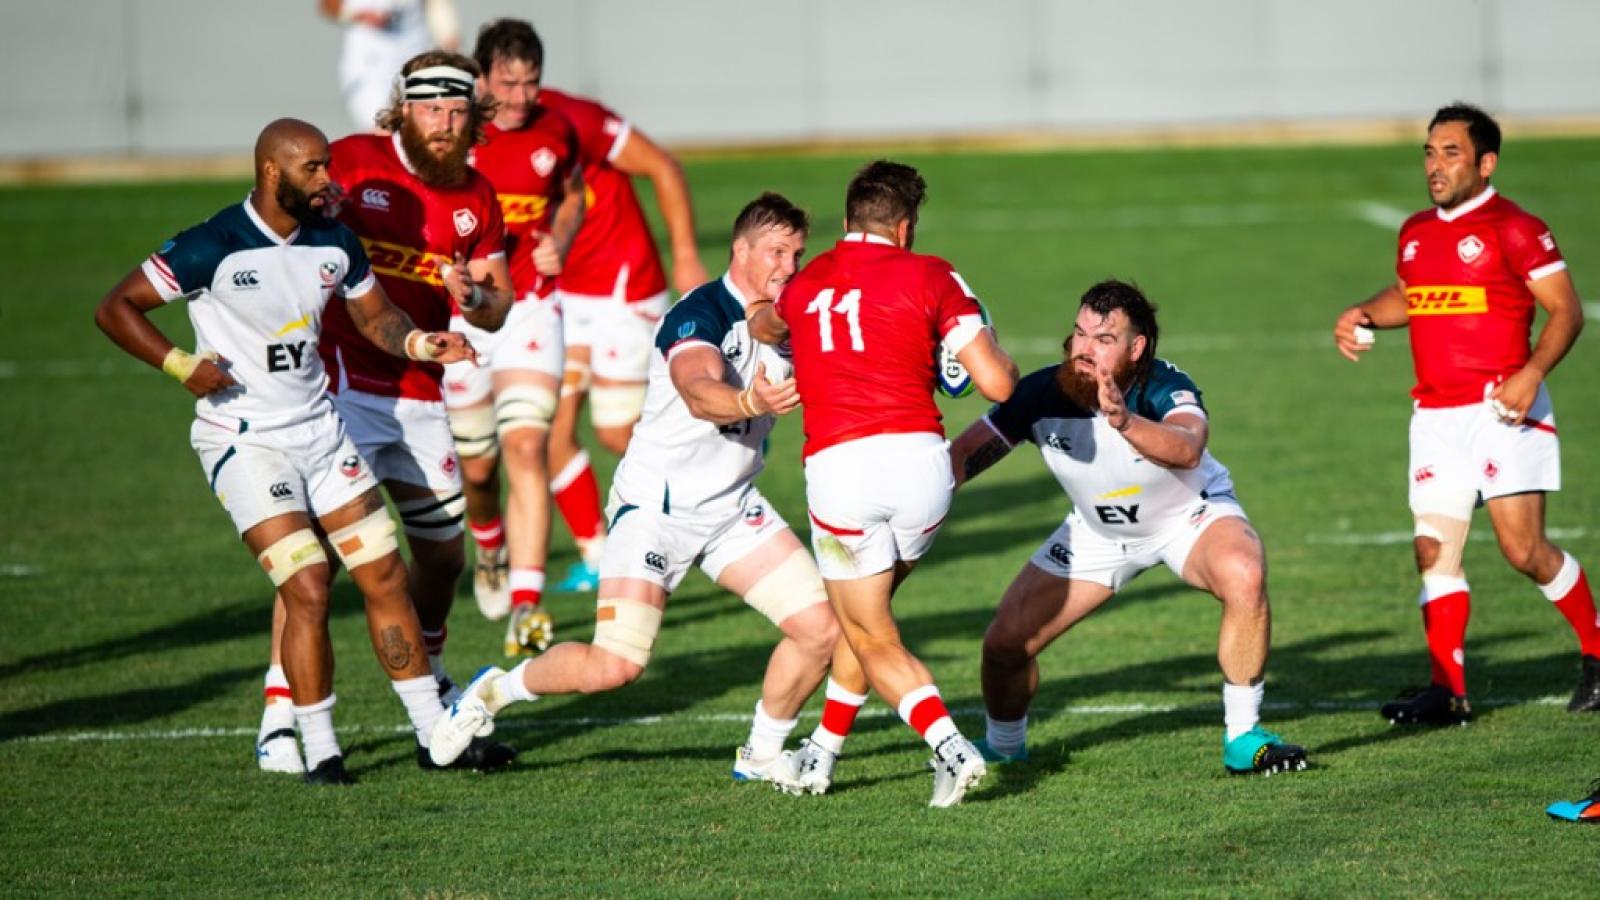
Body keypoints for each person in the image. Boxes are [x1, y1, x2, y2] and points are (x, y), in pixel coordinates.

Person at [95, 118, 481, 784]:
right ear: (272, 172)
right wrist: (180, 365)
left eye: (329, 165)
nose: (329, 180)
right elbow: (116, 307)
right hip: (244, 442)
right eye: (313, 169)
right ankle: (318, 746)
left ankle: (430, 732)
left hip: (322, 434)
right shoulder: (210, 246)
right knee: (306, 586)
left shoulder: (334, 241)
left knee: (385, 576)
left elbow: (376, 317)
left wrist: (420, 343)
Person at [430, 194, 862, 786]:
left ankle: (761, 753)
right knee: (615, 666)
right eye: (775, 252)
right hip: (656, 510)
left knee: (822, 631)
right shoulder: (699, 313)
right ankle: (492, 692)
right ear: (740, 250)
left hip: (733, 509)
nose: (788, 266)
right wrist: (748, 401)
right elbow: (697, 387)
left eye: (796, 254)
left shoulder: (788, 321)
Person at [253, 51, 517, 761]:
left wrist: (474, 298)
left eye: (460, 111)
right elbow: (274, 226)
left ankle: (429, 677)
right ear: (403, 107)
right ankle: (281, 711)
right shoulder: (351, 162)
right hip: (340, 383)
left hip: (422, 386)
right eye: (433, 109)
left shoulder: (478, 196)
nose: (446, 124)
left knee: (443, 555)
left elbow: (496, 307)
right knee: (317, 561)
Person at [949, 280, 1308, 777]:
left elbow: (1188, 447)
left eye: (1103, 339)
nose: (1084, 349)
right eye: (1079, 334)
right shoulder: (1041, 392)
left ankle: (1243, 738)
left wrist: (1125, 421)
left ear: (1135, 349)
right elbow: (963, 457)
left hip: (1189, 517)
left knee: (1243, 572)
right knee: (1005, 645)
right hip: (1098, 533)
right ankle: (1005, 746)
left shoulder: (1162, 384)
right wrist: (913, 498)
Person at [764, 160, 1018, 807]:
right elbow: (997, 385)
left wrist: (771, 321)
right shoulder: (932, 274)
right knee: (868, 621)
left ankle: (950, 748)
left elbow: (770, 322)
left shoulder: (807, 282)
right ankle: (821, 754)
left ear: (849, 220)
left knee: (870, 630)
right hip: (922, 471)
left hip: (844, 474)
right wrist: (984, 339)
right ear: (904, 228)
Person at [1332, 103, 1595, 725]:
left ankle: (1597, 651)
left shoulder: (1516, 227)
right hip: (1435, 417)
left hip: (1502, 411)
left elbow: (1567, 310)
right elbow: (1413, 296)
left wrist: (1531, 375)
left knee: (1524, 551)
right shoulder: (1416, 230)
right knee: (1433, 550)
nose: (1436, 164)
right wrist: (1364, 312)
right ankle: (1447, 690)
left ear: (1486, 162)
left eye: (1451, 152)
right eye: (1430, 152)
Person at [522, 54, 711, 595]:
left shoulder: (574, 118)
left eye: (523, 82)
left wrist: (685, 254)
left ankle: (719, 453)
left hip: (624, 286)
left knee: (611, 432)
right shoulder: (480, 140)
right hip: (562, 293)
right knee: (548, 431)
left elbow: (663, 166)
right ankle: (599, 556)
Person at [442, 19, 585, 660]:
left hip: (530, 307)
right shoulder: (453, 138)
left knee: (527, 445)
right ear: (480, 79)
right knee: (476, 467)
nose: (523, 97)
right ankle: (490, 543)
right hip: (459, 315)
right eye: (509, 83)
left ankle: (527, 607)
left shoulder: (557, 130)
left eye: (532, 82)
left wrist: (560, 234)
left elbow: (574, 194)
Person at [318, 0, 460, 131]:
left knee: (417, 122)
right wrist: (358, 15)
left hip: (413, 55)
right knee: (379, 124)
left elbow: (436, 5)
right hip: (370, 62)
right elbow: (328, 6)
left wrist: (448, 37)